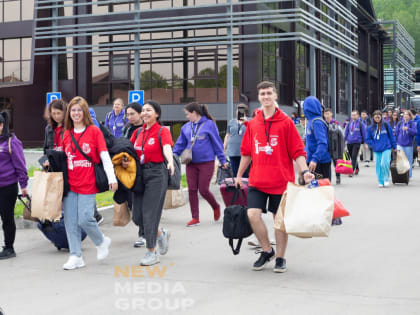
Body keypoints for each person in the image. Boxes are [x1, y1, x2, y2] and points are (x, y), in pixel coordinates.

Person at [234, 81, 314, 273]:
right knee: (252, 215)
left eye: (269, 93)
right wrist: (238, 176)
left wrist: (304, 172)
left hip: (281, 181)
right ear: (259, 98)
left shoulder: (286, 123)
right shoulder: (253, 124)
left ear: (275, 96)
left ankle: (280, 257)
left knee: (279, 221)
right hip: (257, 180)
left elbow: (297, 151)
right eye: (262, 94)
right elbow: (246, 153)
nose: (266, 97)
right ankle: (266, 250)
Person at [61, 96, 118, 270]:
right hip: (70, 183)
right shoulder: (67, 133)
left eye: (79, 110)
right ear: (69, 113)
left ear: (85, 112)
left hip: (87, 182)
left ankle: (101, 242)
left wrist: (112, 178)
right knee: (70, 221)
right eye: (73, 110)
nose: (76, 113)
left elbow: (104, 156)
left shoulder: (94, 131)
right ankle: (76, 256)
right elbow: (64, 156)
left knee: (85, 218)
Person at [128, 100, 174, 266]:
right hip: (140, 175)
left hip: (157, 174)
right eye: (144, 110)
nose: (145, 113)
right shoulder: (138, 132)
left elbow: (167, 148)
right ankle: (161, 233)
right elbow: (131, 151)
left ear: (157, 114)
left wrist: (169, 161)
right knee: (138, 216)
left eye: (149, 110)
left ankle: (151, 252)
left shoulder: (162, 131)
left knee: (149, 214)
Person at [173, 102, 227, 227]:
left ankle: (216, 206)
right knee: (192, 190)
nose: (187, 117)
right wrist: (172, 155)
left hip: (206, 162)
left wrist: (222, 160)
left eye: (187, 114)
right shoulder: (186, 127)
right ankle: (195, 218)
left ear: (194, 113)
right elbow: (180, 144)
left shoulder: (209, 125)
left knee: (203, 190)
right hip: (190, 162)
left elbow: (217, 144)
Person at [0, 112, 28, 259]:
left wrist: (23, 185)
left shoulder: (11, 142)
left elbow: (20, 164)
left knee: (7, 217)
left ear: (2, 125)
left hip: (7, 186)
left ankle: (9, 248)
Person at [122, 102, 145, 248]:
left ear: (140, 113)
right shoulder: (127, 128)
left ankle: (144, 234)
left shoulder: (146, 128)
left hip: (144, 171)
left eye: (132, 114)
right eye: (128, 114)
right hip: (129, 171)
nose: (129, 117)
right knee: (133, 205)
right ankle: (154, 231)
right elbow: (123, 145)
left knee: (142, 205)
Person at [303, 96, 331, 181]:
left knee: (321, 191)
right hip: (313, 160)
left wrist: (315, 159)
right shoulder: (311, 121)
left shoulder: (317, 122)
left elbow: (322, 143)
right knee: (313, 191)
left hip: (319, 162)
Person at [366, 110, 396, 188]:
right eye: (375, 117)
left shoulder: (386, 125)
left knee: (384, 163)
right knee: (378, 165)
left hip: (386, 147)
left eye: (378, 117)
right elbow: (368, 139)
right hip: (377, 149)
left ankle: (386, 179)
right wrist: (373, 145)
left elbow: (391, 136)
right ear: (373, 118)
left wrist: (394, 146)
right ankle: (380, 181)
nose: (377, 118)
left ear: (381, 117)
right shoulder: (370, 128)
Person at [224, 103, 249, 177]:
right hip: (233, 151)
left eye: (241, 110)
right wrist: (224, 147)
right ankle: (237, 187)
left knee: (245, 173)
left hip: (245, 151)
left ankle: (245, 188)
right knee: (235, 173)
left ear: (245, 112)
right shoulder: (231, 122)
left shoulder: (250, 121)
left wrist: (246, 122)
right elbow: (227, 135)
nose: (239, 112)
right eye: (238, 110)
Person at [344, 110, 367, 177]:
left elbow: (364, 134)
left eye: (354, 115)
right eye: (352, 115)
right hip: (349, 142)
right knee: (351, 157)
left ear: (358, 116)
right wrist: (344, 141)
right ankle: (357, 168)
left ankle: (351, 171)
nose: (353, 116)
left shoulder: (361, 124)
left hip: (357, 142)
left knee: (354, 157)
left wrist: (365, 143)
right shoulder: (349, 124)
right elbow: (346, 133)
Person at [395, 110, 417, 178]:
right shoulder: (400, 123)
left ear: (410, 116)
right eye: (404, 114)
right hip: (400, 144)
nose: (405, 116)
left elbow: (415, 132)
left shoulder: (412, 124)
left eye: (407, 114)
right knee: (400, 160)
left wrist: (408, 129)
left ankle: (409, 176)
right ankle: (401, 175)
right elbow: (396, 133)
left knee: (408, 160)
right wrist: (397, 142)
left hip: (408, 145)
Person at [323, 108, 342, 184]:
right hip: (327, 147)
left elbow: (341, 136)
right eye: (325, 114)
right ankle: (328, 179)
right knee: (327, 164)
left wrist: (342, 147)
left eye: (328, 113)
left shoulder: (336, 123)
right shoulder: (323, 123)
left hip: (335, 148)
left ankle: (338, 176)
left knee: (336, 163)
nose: (327, 115)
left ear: (331, 114)